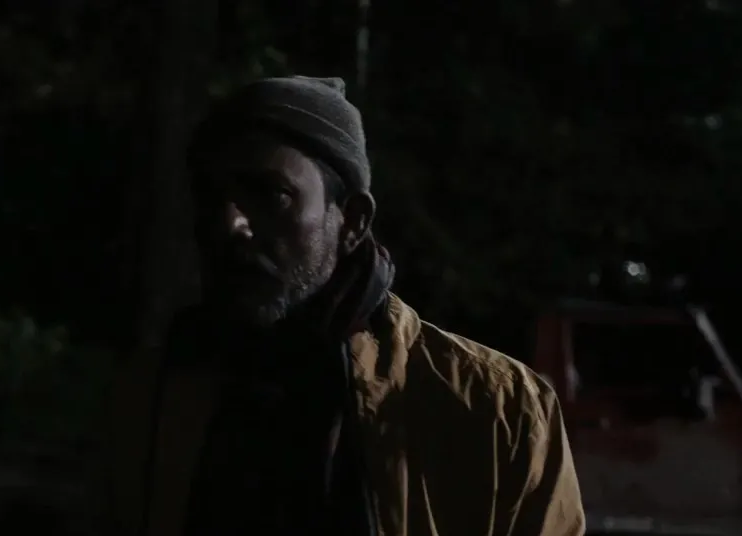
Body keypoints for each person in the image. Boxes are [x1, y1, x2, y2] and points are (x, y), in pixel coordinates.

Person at [105, 76, 584, 536]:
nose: (230, 224)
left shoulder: (494, 408)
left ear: (352, 221)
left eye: (270, 195)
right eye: (212, 198)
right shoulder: (155, 397)